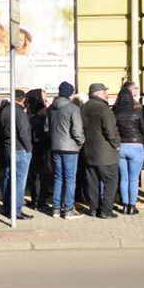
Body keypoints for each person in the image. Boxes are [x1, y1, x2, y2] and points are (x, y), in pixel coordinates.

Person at [81, 83, 120, 219]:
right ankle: (106, 210)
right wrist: (116, 144)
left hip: (88, 151)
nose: (107, 95)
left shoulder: (83, 108)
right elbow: (110, 130)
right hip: (106, 154)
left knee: (92, 182)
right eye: (104, 92)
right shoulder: (104, 109)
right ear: (97, 94)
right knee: (110, 181)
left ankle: (94, 209)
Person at [48, 81, 84, 219]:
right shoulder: (73, 108)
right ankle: (68, 209)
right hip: (70, 147)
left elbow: (47, 127)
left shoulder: (51, 108)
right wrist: (81, 141)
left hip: (55, 146)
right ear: (70, 93)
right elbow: (77, 129)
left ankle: (56, 209)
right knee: (70, 179)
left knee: (58, 177)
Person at [0, 89, 34, 219]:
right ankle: (16, 210)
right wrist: (29, 149)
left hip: (8, 148)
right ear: (23, 99)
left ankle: (7, 207)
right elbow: (24, 133)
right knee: (19, 181)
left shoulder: (5, 110)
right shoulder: (20, 113)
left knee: (8, 178)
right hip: (20, 149)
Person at [113, 83, 144, 216]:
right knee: (134, 178)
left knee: (124, 178)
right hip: (136, 145)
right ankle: (132, 206)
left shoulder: (115, 112)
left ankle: (124, 205)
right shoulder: (137, 112)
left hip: (121, 146)